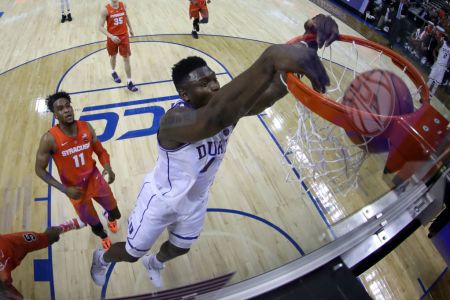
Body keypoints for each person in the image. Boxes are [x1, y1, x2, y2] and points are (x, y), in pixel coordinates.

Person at [90, 14, 339, 288]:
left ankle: (156, 262)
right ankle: (101, 257)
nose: (214, 85)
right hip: (160, 200)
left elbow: (274, 90)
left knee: (181, 248)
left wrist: (310, 46)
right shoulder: (174, 120)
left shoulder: (227, 111)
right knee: (130, 253)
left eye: (214, 79)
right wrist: (270, 58)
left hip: (195, 200)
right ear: (185, 94)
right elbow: (213, 118)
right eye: (204, 83)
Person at [35, 92, 122, 250]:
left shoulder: (86, 127)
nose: (66, 110)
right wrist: (64, 189)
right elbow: (39, 170)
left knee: (116, 213)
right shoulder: (49, 139)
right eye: (61, 108)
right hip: (75, 190)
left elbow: (101, 152)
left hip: (95, 179)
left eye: (68, 106)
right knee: (94, 223)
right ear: (55, 114)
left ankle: (110, 218)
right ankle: (103, 236)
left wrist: (107, 167)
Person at [0, 218, 85, 300]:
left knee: (44, 238)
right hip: (4, 284)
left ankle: (61, 228)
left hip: (7, 252)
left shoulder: (5, 245)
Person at [99, 0, 138, 92]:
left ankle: (129, 82)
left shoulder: (123, 5)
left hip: (124, 36)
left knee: (126, 58)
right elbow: (100, 27)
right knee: (113, 56)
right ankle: (113, 72)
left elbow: (126, 16)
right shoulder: (105, 10)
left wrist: (131, 28)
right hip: (112, 37)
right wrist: (111, 36)